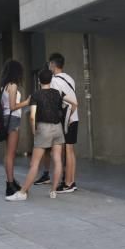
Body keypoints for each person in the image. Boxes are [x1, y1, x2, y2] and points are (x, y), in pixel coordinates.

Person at [6, 69, 77, 201]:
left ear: (39, 81)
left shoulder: (36, 95)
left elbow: (32, 116)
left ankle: (22, 192)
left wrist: (34, 131)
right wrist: (68, 117)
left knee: (35, 164)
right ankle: (53, 191)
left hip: (43, 129)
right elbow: (74, 103)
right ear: (50, 80)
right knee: (57, 160)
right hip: (58, 129)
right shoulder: (58, 93)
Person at [49, 53, 81, 193]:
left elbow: (56, 100)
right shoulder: (70, 78)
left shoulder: (54, 80)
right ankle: (71, 181)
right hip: (74, 116)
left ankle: (67, 183)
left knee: (66, 150)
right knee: (70, 150)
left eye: (49, 64)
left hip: (66, 118)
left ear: (53, 64)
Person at [0, 59, 30, 197]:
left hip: (6, 119)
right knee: (11, 154)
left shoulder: (4, 86)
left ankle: (11, 181)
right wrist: (26, 102)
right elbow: (12, 106)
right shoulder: (13, 85)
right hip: (12, 120)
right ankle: (10, 184)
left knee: (9, 153)